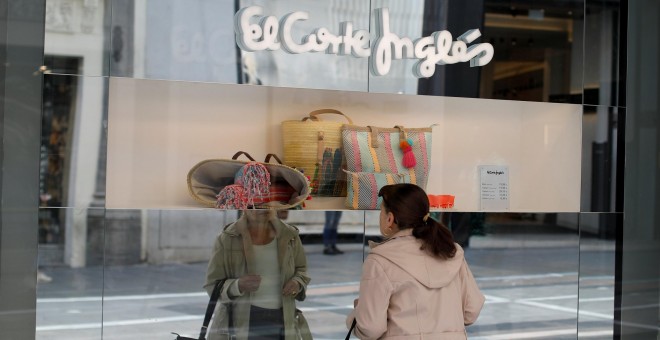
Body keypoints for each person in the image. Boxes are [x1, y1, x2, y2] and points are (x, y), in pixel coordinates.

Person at [346, 184, 485, 339]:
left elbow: (371, 328)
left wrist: (357, 314)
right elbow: (471, 311)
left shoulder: (379, 261)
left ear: (390, 219)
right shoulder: (451, 251)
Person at [205, 209, 312, 340]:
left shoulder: (290, 235)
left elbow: (301, 269)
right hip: (242, 321)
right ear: (244, 206)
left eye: (268, 202)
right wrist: (238, 285)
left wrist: (297, 283)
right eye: (257, 204)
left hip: (283, 318)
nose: (264, 208)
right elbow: (212, 284)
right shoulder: (227, 238)